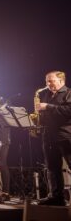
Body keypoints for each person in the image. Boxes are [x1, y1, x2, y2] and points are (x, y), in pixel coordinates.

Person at [35, 71, 71, 206]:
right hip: (48, 137)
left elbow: (68, 110)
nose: (48, 84)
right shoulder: (46, 95)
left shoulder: (68, 93)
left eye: (51, 81)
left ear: (61, 81)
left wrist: (48, 107)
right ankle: (56, 197)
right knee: (52, 168)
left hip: (65, 135)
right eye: (47, 81)